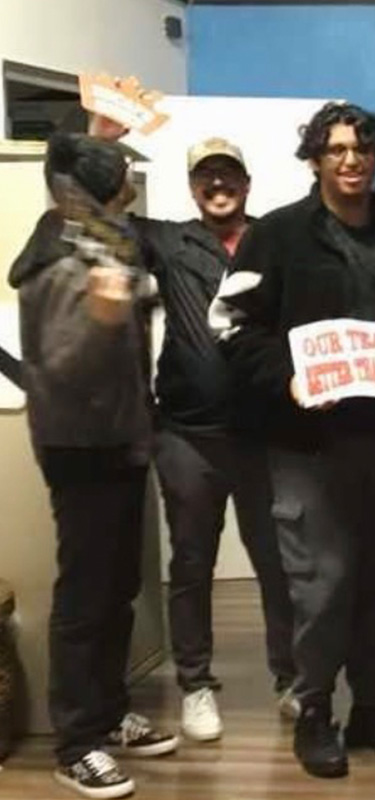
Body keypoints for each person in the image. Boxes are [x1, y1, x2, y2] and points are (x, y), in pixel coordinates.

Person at [210, 102, 375, 778]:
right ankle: (313, 709)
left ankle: (371, 704)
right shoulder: (278, 235)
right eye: (337, 149)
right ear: (315, 158)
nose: (351, 160)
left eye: (363, 148)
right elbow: (230, 326)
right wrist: (287, 378)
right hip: (306, 444)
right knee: (324, 583)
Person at [89, 115, 298, 741]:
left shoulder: (275, 240)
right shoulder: (168, 240)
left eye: (227, 174)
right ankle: (197, 686)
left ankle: (290, 679)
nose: (217, 184)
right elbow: (96, 215)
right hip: (186, 436)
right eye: (206, 175)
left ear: (246, 181)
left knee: (278, 564)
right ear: (191, 186)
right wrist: (101, 144)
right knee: (191, 565)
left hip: (266, 437)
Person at [10, 132, 177, 799]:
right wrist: (111, 313)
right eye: (121, 185)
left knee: (115, 590)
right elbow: (64, 368)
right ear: (90, 197)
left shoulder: (84, 238)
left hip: (119, 439)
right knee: (85, 595)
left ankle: (106, 715)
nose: (131, 194)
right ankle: (75, 743)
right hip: (80, 446)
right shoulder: (56, 262)